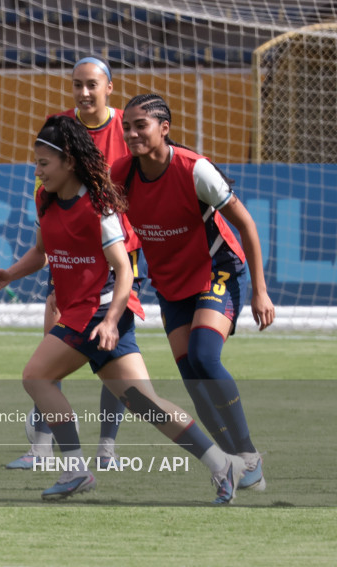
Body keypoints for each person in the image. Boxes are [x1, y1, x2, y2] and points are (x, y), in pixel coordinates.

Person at [0, 114, 246, 504]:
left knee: (36, 376)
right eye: (36, 164)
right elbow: (42, 252)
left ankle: (74, 469)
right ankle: (222, 464)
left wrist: (109, 321)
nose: (38, 172)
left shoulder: (100, 208)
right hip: (93, 315)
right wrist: (10, 274)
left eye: (44, 164)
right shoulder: (45, 199)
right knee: (146, 403)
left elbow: (124, 271)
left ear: (69, 162)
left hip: (99, 312)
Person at [111, 93, 273, 491]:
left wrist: (260, 292)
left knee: (203, 355)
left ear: (164, 129)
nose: (131, 133)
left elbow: (247, 225)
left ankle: (249, 455)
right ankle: (234, 465)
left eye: (141, 126)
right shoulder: (122, 174)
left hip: (215, 271)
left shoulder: (194, 169)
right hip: (170, 285)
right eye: (127, 127)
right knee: (192, 379)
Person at [6, 56, 145, 470]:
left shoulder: (128, 129)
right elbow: (45, 188)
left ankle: (106, 449)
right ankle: (43, 449)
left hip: (117, 251)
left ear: (109, 88)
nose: (84, 93)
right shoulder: (59, 129)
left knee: (111, 353)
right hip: (71, 251)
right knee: (54, 346)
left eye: (91, 85)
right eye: (77, 85)